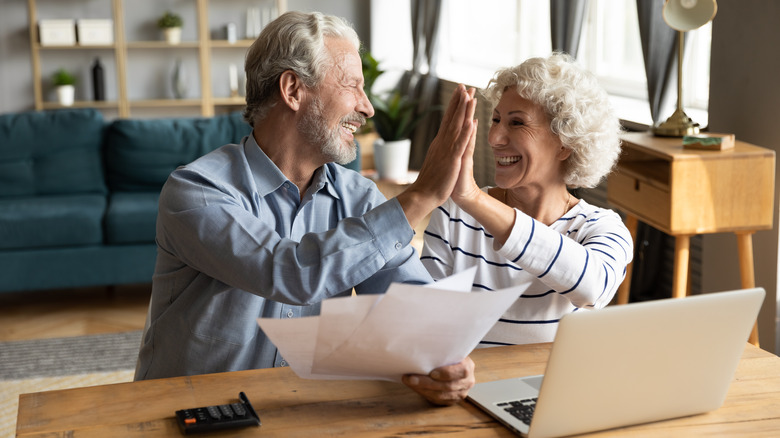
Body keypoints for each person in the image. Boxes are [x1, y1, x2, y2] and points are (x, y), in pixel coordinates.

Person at [134, 11, 478, 406]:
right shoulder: (196, 191)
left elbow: (407, 300)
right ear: (293, 89)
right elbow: (289, 273)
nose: (367, 108)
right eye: (352, 86)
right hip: (187, 413)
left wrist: (441, 357)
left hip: (297, 409)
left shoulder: (358, 197)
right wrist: (420, 197)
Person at [421, 53, 633, 346]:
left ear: (565, 144)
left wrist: (473, 199)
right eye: (495, 119)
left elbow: (593, 288)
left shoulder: (601, 228)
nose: (495, 137)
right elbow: (424, 321)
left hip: (555, 388)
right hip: (468, 385)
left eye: (517, 123)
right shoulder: (455, 213)